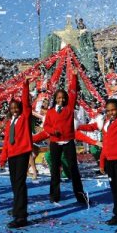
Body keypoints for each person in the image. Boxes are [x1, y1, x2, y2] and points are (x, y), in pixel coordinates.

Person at [78, 86, 117, 233]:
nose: (111, 112)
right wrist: (103, 162)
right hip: (110, 161)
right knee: (115, 191)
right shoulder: (106, 124)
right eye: (108, 110)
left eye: (114, 109)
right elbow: (106, 143)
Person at [43, 68, 88, 205]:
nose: (61, 99)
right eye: (58, 98)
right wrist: (53, 131)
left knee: (74, 169)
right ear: (55, 99)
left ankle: (80, 196)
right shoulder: (50, 112)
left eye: (63, 97)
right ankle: (54, 195)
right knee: (55, 170)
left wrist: (74, 76)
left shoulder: (69, 108)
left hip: (68, 142)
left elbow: (73, 93)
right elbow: (46, 126)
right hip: (55, 143)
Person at [0, 77, 33, 229]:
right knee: (15, 184)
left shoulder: (24, 117)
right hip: (12, 155)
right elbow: (6, 141)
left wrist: (25, 85)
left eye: (16, 108)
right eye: (12, 108)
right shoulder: (10, 122)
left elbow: (26, 102)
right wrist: (2, 158)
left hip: (22, 154)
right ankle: (17, 208)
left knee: (19, 184)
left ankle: (21, 216)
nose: (14, 110)